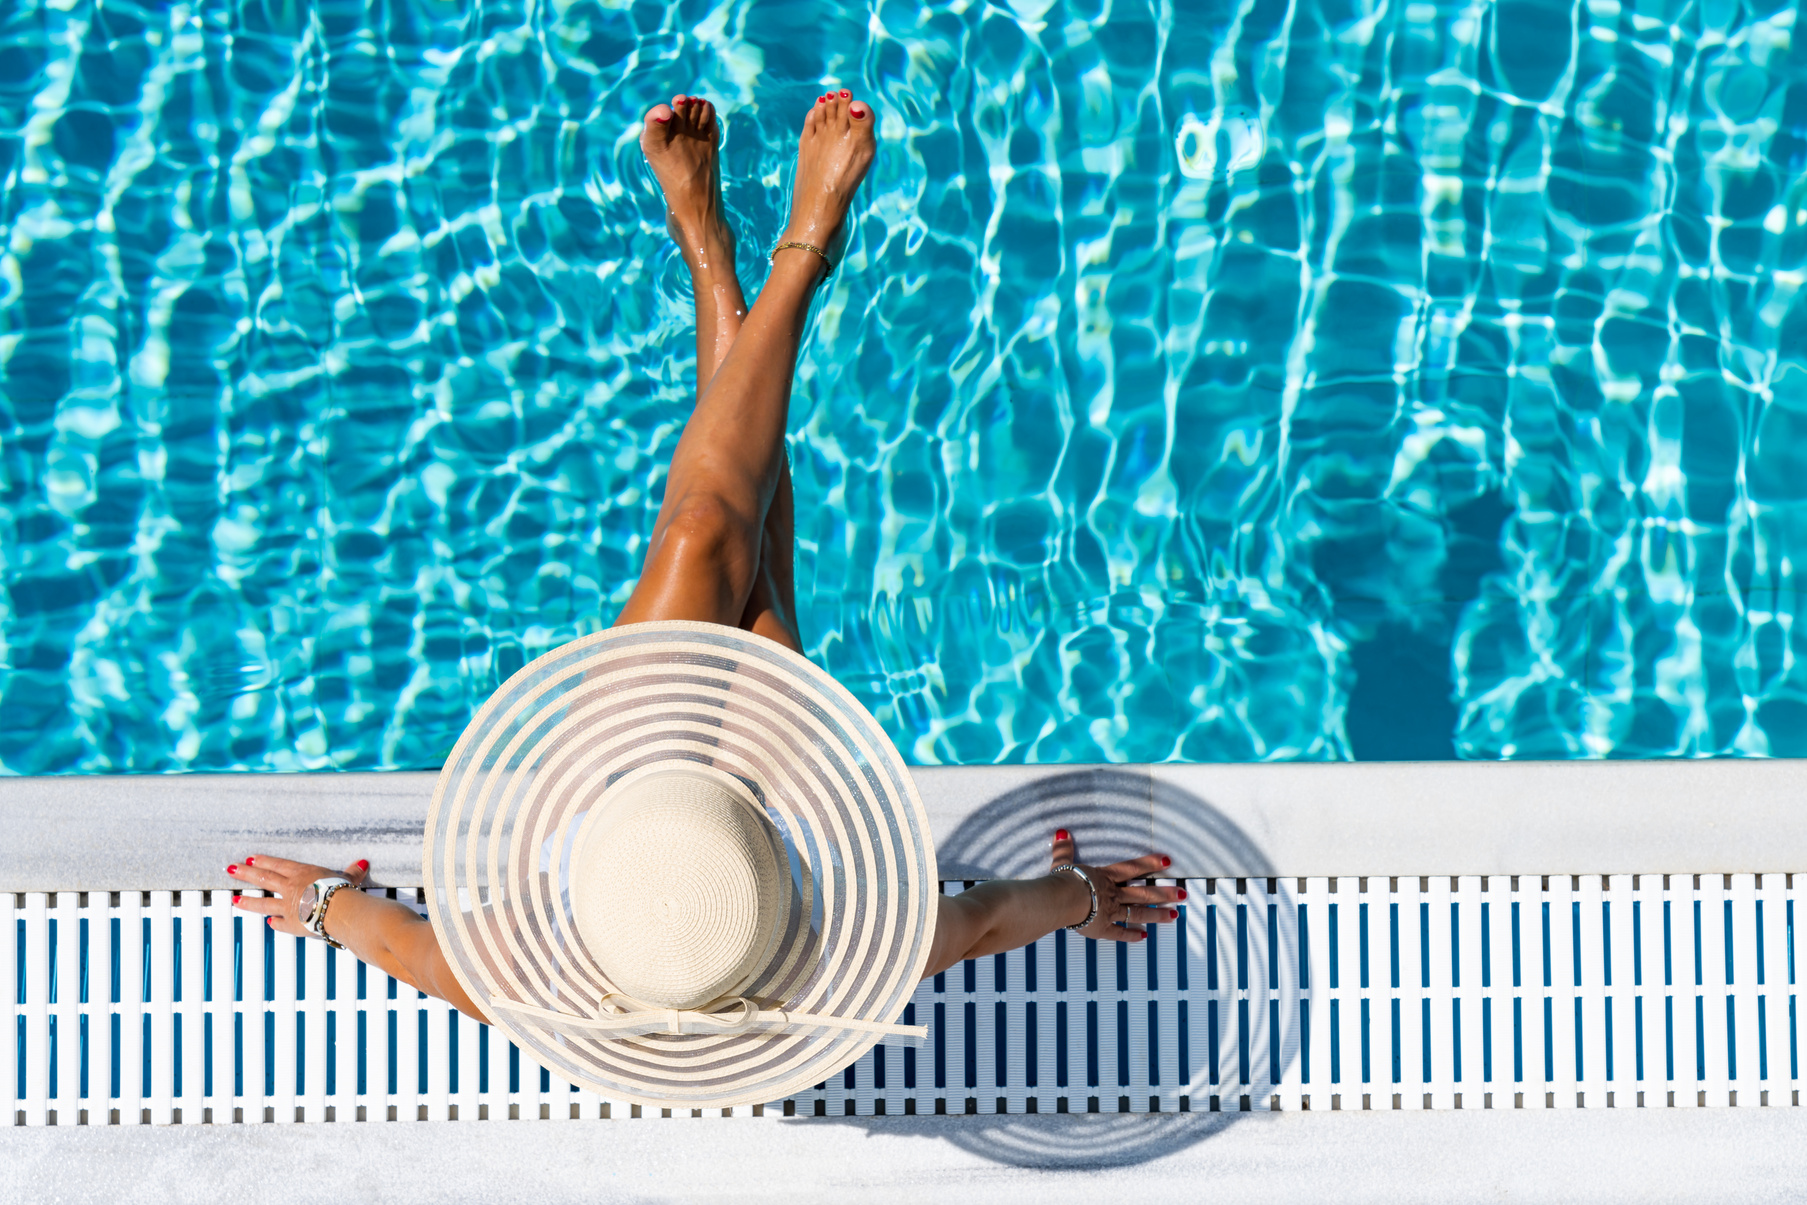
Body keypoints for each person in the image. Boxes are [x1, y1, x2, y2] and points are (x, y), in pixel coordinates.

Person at [225, 91, 1181, 1026]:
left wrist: (327, 908)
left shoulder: (532, 968)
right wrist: (1083, 895)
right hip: (771, 829)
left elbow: (417, 953)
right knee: (747, 549)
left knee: (704, 530)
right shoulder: (843, 957)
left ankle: (726, 258)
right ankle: (785, 255)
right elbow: (982, 921)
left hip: (621, 801)